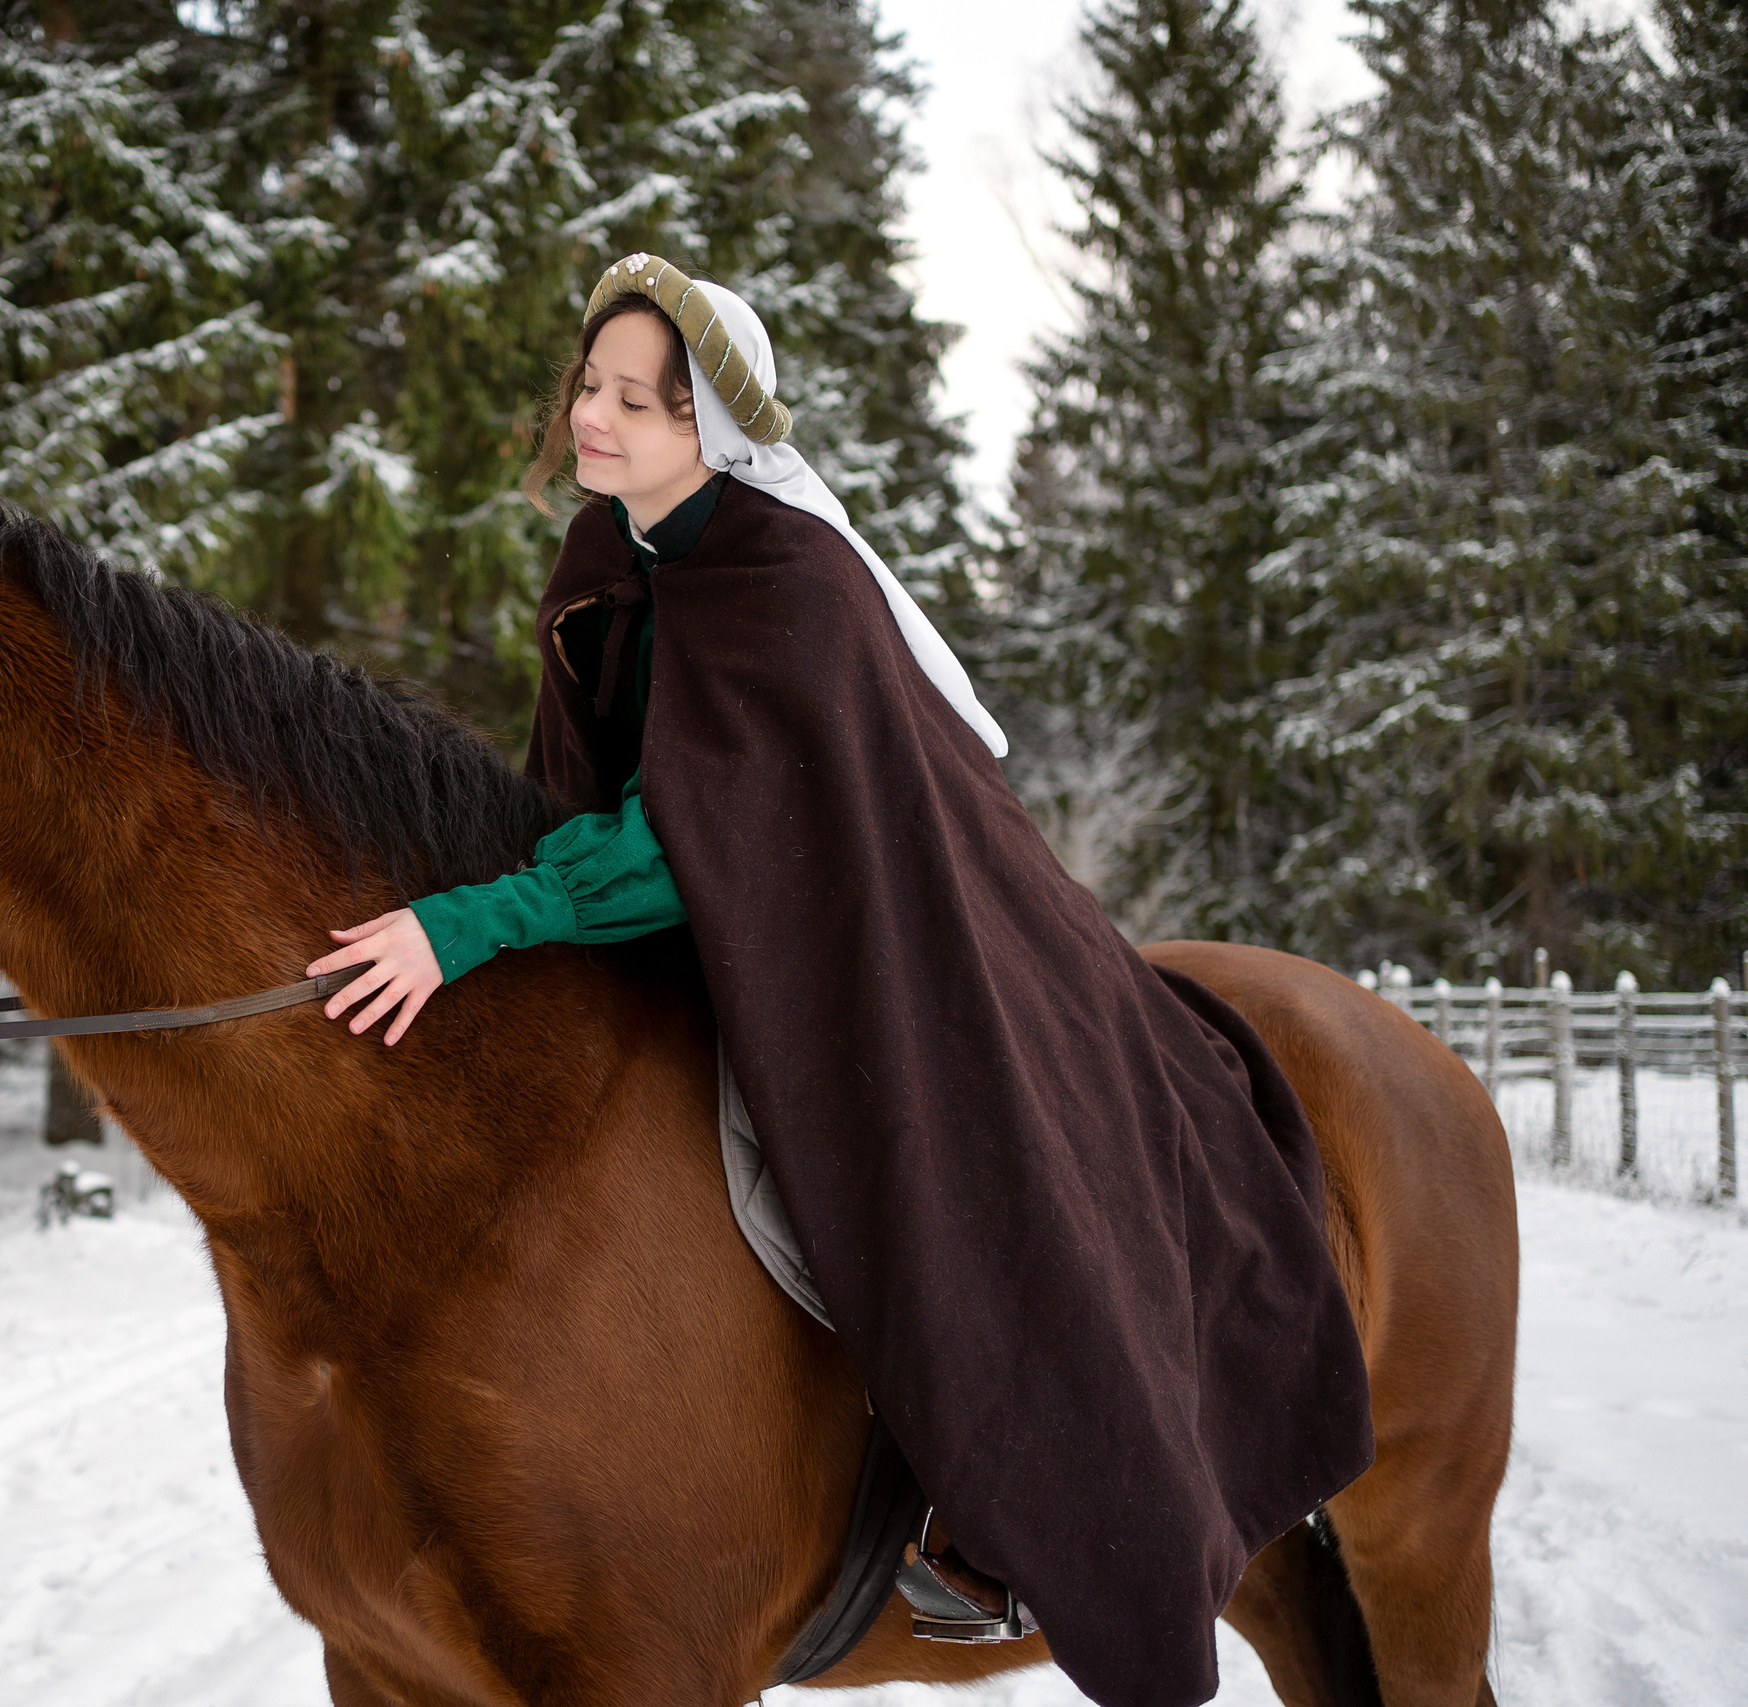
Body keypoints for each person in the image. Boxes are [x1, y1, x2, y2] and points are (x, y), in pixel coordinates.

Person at [306, 255, 1373, 1707]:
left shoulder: (784, 577)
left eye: (639, 398)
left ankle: (997, 1507)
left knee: (942, 1160)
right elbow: (598, 790)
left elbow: (697, 836)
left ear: (713, 429)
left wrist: (471, 924)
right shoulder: (612, 550)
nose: (596, 418)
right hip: (714, 919)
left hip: (882, 932)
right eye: (589, 386)